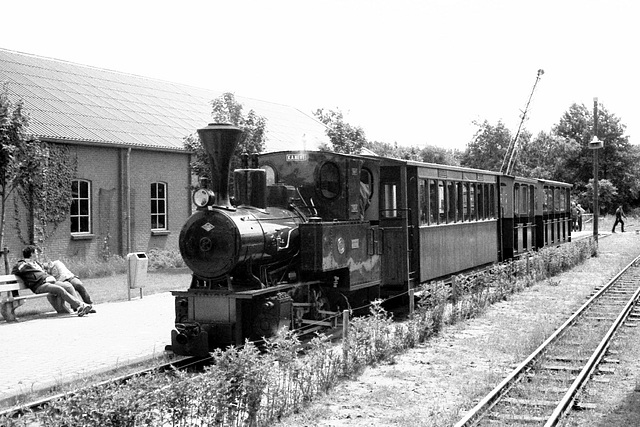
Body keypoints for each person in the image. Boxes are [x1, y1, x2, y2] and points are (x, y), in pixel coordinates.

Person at [11, 245, 92, 316]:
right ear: (31, 254)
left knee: (68, 285)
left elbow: (45, 267)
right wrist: (15, 295)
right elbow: (12, 277)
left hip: (49, 282)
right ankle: (80, 306)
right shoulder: (21, 265)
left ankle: (77, 308)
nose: (37, 254)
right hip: (39, 285)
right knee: (59, 289)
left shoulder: (37, 263)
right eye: (36, 252)